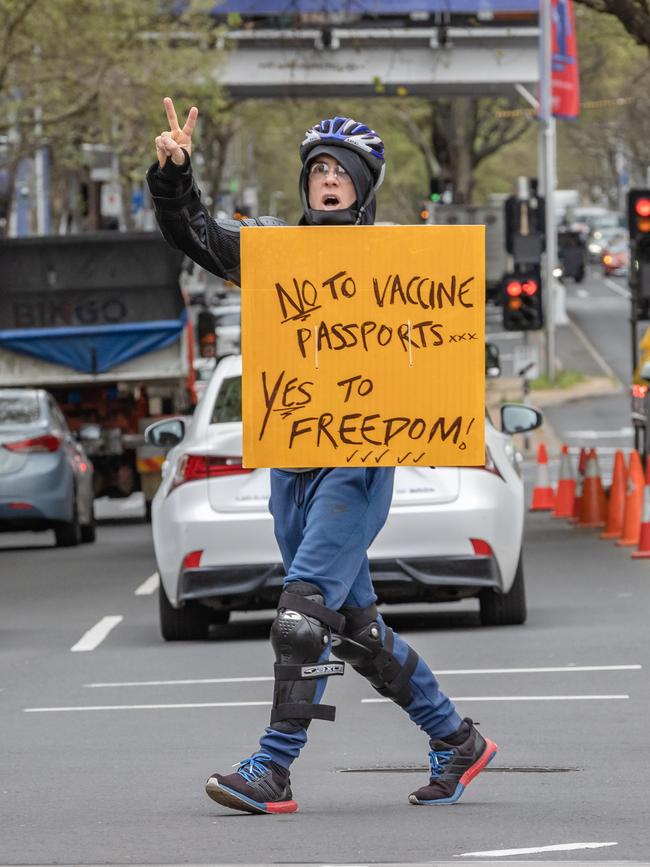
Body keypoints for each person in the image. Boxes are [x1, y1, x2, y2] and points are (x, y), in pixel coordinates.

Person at [147, 99, 497, 814]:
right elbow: (197, 236)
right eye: (318, 170)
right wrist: (174, 175)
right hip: (291, 461)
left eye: (342, 171)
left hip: (358, 463)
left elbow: (439, 343)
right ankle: (457, 739)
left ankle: (273, 769)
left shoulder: (402, 260)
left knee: (301, 614)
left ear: (364, 187)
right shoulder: (276, 257)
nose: (328, 180)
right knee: (356, 629)